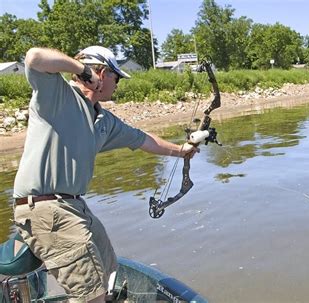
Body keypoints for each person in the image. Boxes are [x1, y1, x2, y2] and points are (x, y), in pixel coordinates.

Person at [12, 46, 199, 303]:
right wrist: (81, 69)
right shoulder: (56, 94)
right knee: (91, 295)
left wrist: (182, 151)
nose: (118, 83)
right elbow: (34, 57)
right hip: (45, 208)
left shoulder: (104, 121)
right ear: (100, 73)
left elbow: (144, 139)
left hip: (74, 206)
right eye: (117, 77)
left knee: (109, 267)